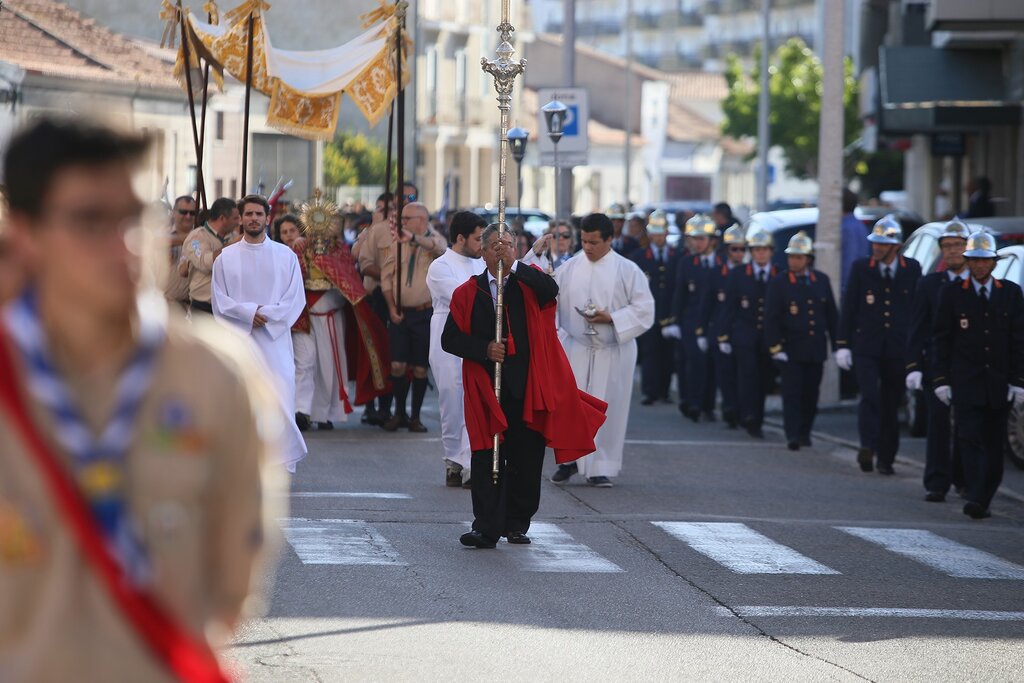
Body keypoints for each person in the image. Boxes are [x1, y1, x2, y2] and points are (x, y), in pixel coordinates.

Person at [0, 116, 283, 680]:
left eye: (135, 217)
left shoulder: (214, 374)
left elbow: (235, 578)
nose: (125, 244)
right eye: (90, 220)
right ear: (26, 232)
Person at [442, 226, 606, 547]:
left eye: (508, 245)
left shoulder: (529, 284)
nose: (501, 251)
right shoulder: (468, 292)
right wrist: (484, 349)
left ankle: (517, 522)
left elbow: (550, 290)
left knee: (525, 459)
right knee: (486, 456)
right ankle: (486, 527)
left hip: (526, 387)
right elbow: (450, 339)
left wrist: (515, 266)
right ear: (483, 252)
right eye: (495, 246)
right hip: (488, 389)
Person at [550, 213, 655, 487]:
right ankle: (568, 461)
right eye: (584, 241)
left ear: (610, 239)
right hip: (577, 347)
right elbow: (550, 300)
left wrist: (612, 318)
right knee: (571, 408)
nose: (587, 247)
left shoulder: (627, 270)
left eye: (594, 242)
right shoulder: (569, 267)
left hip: (612, 349)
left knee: (609, 408)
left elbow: (645, 310)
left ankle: (600, 466)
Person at [212, 194, 308, 472]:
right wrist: (247, 314)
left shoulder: (285, 255)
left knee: (279, 398)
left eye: (259, 214)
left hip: (275, 341)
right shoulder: (225, 258)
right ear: (240, 218)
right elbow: (219, 299)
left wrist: (266, 317)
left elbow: (295, 299)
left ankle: (278, 463)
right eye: (249, 214)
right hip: (240, 341)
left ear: (268, 218)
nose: (254, 219)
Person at [933, 230, 1024, 519]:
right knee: (968, 438)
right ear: (968, 262)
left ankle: (983, 496)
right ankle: (974, 494)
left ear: (994, 263)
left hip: (999, 382)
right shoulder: (951, 293)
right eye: (974, 261)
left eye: (985, 261)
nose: (980, 266)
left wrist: (1018, 381)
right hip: (965, 381)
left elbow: (1018, 339)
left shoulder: (1009, 293)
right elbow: (941, 339)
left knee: (994, 445)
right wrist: (940, 380)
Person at [290, 202, 391, 434]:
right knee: (306, 364)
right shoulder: (300, 248)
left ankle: (326, 413)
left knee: (330, 367)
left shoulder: (339, 251)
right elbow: (292, 277)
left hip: (332, 316)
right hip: (304, 316)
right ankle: (302, 411)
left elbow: (350, 281)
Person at [836, 215, 921, 474]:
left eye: (883, 244)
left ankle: (887, 457)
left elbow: (918, 311)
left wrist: (917, 350)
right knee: (869, 396)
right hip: (866, 345)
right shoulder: (862, 268)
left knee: (890, 402)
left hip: (897, 347)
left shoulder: (912, 269)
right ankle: (867, 446)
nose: (877, 248)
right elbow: (850, 307)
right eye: (875, 243)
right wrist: (843, 344)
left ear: (896, 246)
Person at [906, 218, 970, 501]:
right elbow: (917, 327)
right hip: (938, 365)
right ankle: (936, 482)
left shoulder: (977, 282)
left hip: (971, 366)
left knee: (968, 428)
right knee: (939, 425)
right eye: (947, 246)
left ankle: (965, 479)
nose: (952, 251)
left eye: (957, 245)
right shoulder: (931, 284)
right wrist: (914, 365)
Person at [426, 211, 486, 487]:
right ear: (460, 238)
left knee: (474, 398)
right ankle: (453, 460)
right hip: (448, 336)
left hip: (477, 337)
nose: (482, 244)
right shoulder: (441, 266)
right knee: (452, 399)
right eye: (478, 238)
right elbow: (463, 298)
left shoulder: (482, 263)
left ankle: (473, 463)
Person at [765, 231, 838, 451]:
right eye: (791, 257)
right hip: (791, 348)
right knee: (792, 393)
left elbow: (831, 315)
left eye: (798, 257)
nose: (794, 261)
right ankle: (793, 434)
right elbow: (772, 317)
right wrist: (776, 346)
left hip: (815, 348)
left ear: (808, 259)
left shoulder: (821, 281)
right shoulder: (780, 283)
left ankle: (805, 431)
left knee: (810, 394)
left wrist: (838, 346)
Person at [381, 201, 447, 432]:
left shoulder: (435, 238)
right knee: (397, 365)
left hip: (424, 313)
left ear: (421, 219)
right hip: (400, 313)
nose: (402, 223)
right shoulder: (396, 242)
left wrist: (413, 239)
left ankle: (415, 417)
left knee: (420, 368)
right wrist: (391, 307)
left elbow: (439, 249)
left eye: (407, 219)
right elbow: (387, 277)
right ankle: (399, 412)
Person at [717, 227, 778, 438]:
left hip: (769, 337)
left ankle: (757, 416)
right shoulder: (739, 274)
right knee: (747, 376)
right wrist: (724, 335)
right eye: (756, 250)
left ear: (771, 251)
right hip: (745, 334)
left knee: (764, 379)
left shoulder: (778, 274)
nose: (760, 254)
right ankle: (750, 417)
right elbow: (729, 307)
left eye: (764, 250)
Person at [665, 214, 721, 422]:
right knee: (692, 363)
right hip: (691, 320)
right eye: (693, 239)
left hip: (713, 322)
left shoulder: (721, 263)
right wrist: (674, 321)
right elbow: (679, 293)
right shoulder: (687, 263)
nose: (696, 243)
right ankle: (692, 402)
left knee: (711, 364)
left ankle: (708, 405)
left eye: (701, 239)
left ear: (712, 240)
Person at [353, 191, 397, 425]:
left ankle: (387, 407)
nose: (386, 212)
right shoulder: (369, 232)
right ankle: (370, 405)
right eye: (381, 208)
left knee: (392, 354)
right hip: (373, 296)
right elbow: (358, 258)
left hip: (395, 299)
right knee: (372, 353)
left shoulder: (402, 232)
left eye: (390, 208)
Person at [630, 210, 677, 405]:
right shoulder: (639, 257)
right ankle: (649, 391)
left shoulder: (676, 255)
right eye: (654, 233)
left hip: (668, 312)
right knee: (650, 353)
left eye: (661, 233)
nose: (658, 237)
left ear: (667, 233)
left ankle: (664, 391)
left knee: (667, 355)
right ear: (649, 235)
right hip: (648, 312)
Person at [704, 224, 746, 428]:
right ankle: (729, 409)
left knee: (744, 374)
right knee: (725, 374)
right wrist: (703, 332)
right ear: (727, 250)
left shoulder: (749, 273)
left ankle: (742, 410)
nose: (738, 253)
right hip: (721, 329)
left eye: (742, 249)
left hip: (743, 330)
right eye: (734, 249)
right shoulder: (716, 273)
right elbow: (707, 304)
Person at [181, 196, 239, 315]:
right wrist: (232, 245)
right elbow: (204, 263)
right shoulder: (197, 237)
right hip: (204, 308)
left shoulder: (233, 236)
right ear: (222, 218)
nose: (239, 222)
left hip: (227, 307)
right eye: (235, 218)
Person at [164, 195, 195, 308]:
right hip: (167, 305)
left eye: (192, 213)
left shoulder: (203, 238)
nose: (188, 216)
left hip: (192, 308)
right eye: (183, 212)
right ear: (173, 212)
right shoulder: (161, 236)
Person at [840, 189, 869, 292]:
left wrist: (844, 289)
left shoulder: (845, 228)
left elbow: (849, 260)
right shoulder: (860, 225)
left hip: (849, 288)